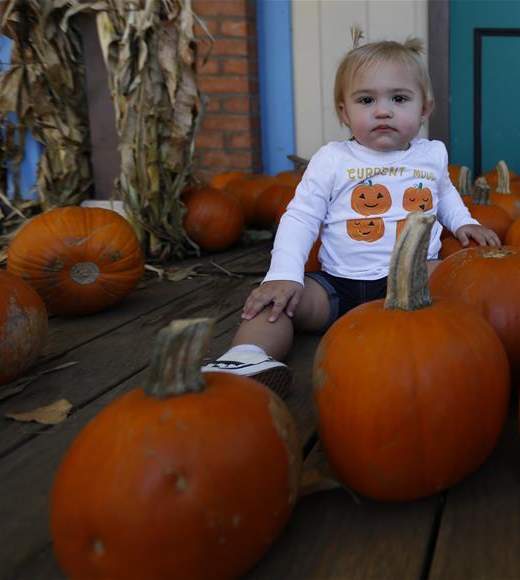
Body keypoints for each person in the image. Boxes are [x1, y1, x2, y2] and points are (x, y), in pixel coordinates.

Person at [200, 30, 500, 395]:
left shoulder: (431, 155)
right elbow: (301, 216)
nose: (383, 110)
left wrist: (464, 221)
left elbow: (445, 193)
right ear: (345, 112)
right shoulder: (333, 160)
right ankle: (247, 357)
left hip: (417, 280)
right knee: (280, 304)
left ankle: (471, 349)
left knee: (462, 286)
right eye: (366, 99)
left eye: (399, 98)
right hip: (338, 286)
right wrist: (284, 274)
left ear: (424, 110)